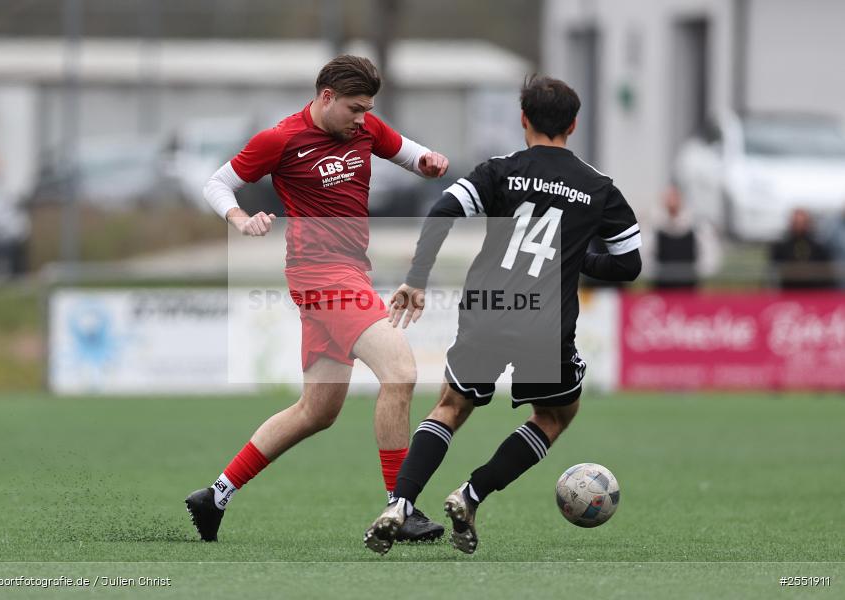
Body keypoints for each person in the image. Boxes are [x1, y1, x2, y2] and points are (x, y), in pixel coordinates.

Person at [363, 75, 642, 555]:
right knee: (555, 415)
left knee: (451, 407)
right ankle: (470, 495)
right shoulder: (599, 188)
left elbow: (443, 211)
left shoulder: (500, 171)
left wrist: (418, 278)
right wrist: (577, 261)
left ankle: (401, 503)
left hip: (486, 308)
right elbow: (629, 262)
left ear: (523, 120)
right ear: (573, 125)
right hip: (546, 322)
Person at [186, 55, 450, 543]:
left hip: (348, 272)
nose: (361, 118)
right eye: (354, 108)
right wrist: (240, 220)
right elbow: (216, 182)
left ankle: (215, 494)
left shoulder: (364, 127)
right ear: (325, 97)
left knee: (317, 411)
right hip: (320, 275)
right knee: (402, 372)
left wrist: (429, 162)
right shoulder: (281, 139)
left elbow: (409, 153)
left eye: (368, 109)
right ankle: (400, 507)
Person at [645, 184, 720, 289]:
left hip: (689, 286)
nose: (671, 201)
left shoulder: (696, 225)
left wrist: (697, 271)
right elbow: (647, 254)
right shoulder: (655, 226)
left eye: (674, 197)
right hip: (662, 286)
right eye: (668, 197)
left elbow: (709, 254)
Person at [770, 208, 835, 289]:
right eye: (796, 223)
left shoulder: (818, 247)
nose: (799, 226)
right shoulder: (781, 247)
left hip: (814, 292)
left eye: (802, 223)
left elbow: (827, 273)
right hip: (788, 292)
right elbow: (773, 271)